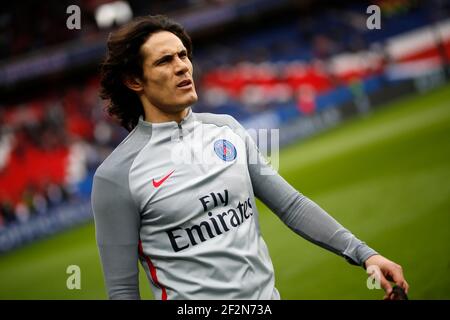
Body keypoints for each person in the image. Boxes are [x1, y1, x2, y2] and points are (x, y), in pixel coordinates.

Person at [92, 15, 409, 300]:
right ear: (135, 81)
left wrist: (365, 254)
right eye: (164, 61)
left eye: (183, 55)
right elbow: (121, 291)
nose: (181, 66)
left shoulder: (227, 130)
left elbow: (292, 206)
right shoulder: (116, 176)